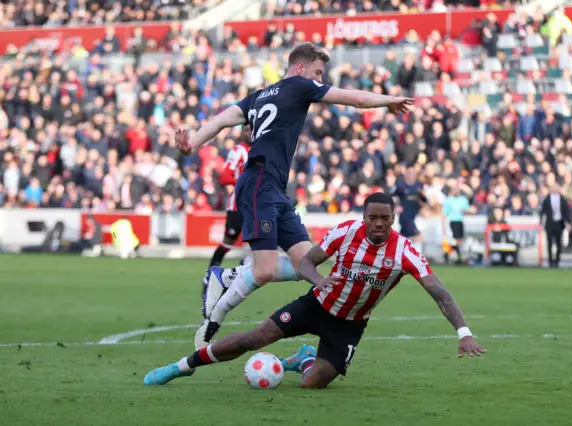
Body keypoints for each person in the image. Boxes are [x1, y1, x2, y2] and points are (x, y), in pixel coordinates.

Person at [175, 42, 413, 348]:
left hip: (273, 186)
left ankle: (226, 284)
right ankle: (218, 303)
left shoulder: (259, 96)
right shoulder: (300, 85)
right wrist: (388, 100)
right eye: (318, 71)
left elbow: (220, 120)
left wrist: (192, 143)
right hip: (259, 180)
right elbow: (353, 99)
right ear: (300, 67)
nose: (321, 79)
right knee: (264, 271)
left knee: (306, 265)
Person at [144, 193, 486, 388]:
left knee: (313, 385)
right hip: (316, 305)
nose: (379, 224)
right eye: (373, 217)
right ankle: (180, 367)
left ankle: (302, 361)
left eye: (385, 218)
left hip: (350, 324)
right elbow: (306, 262)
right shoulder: (345, 232)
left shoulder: (405, 253)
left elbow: (440, 293)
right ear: (364, 217)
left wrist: (464, 333)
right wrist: (318, 281)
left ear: (393, 219)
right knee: (253, 338)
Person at [206, 140, 250, 273]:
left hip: (256, 206)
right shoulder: (239, 150)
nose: (249, 133)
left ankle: (239, 274)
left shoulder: (263, 148)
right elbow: (224, 177)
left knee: (258, 245)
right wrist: (245, 180)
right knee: (227, 243)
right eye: (246, 129)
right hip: (237, 205)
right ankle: (210, 274)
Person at [391, 165, 426, 247]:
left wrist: (423, 202)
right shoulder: (400, 185)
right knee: (417, 236)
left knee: (402, 240)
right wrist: (396, 206)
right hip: (405, 217)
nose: (412, 174)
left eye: (414, 172)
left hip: (415, 215)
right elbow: (392, 197)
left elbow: (424, 200)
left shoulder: (419, 185)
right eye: (409, 172)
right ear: (405, 173)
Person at [540, 184, 571, 268]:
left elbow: (566, 212)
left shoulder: (562, 199)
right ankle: (550, 261)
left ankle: (557, 261)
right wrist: (541, 224)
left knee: (558, 243)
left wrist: (568, 222)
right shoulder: (547, 199)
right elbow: (542, 211)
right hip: (550, 223)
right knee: (549, 243)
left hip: (559, 223)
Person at [442, 184, 470, 264]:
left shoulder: (463, 199)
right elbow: (444, 213)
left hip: (460, 221)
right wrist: (443, 226)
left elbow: (467, 209)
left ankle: (447, 253)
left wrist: (465, 211)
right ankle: (458, 256)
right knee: (456, 239)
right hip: (452, 221)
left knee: (460, 240)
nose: (456, 192)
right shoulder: (449, 200)